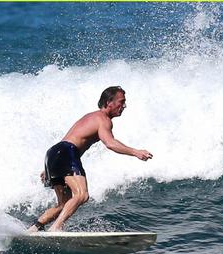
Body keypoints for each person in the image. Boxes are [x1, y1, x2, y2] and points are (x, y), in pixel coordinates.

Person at [28, 86, 153, 232]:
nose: (124, 106)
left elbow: (66, 140)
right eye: (121, 102)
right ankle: (56, 228)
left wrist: (49, 167)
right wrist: (135, 152)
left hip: (54, 153)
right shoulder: (103, 119)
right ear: (108, 102)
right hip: (67, 152)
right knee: (82, 195)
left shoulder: (90, 116)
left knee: (64, 204)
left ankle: (34, 228)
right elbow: (110, 143)